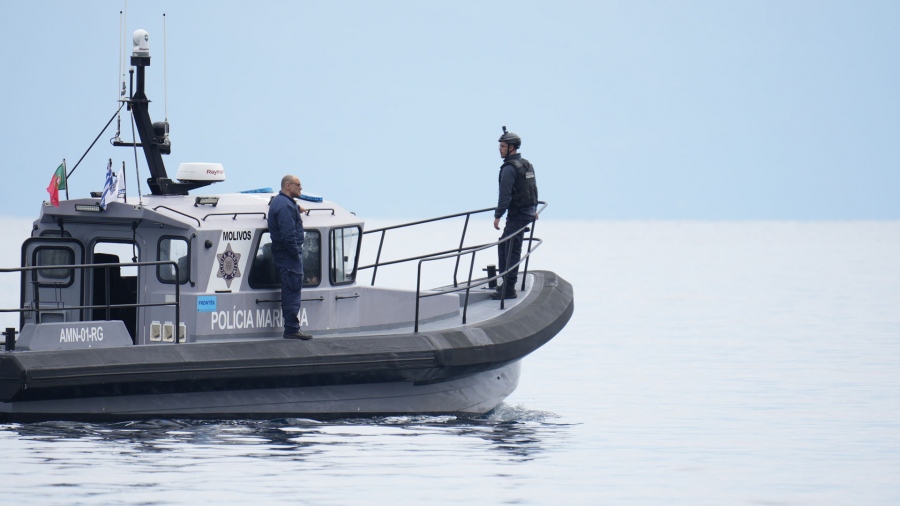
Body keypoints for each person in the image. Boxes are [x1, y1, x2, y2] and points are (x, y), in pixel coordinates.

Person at [492, 126, 538, 300]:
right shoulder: (526, 164)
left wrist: (498, 215)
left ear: (512, 147)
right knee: (510, 245)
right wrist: (533, 210)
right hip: (526, 213)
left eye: (503, 146)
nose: (500, 150)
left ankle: (508, 287)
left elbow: (505, 195)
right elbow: (533, 189)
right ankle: (507, 282)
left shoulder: (509, 169)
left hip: (518, 214)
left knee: (508, 247)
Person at [268, 174, 313, 340]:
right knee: (292, 289)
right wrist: (295, 254)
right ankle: (292, 329)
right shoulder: (285, 207)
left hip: (284, 253)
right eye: (298, 185)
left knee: (291, 288)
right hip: (288, 255)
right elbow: (288, 236)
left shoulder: (281, 202)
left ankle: (292, 327)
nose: (301, 188)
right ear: (288, 186)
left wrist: (297, 206)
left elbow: (279, 202)